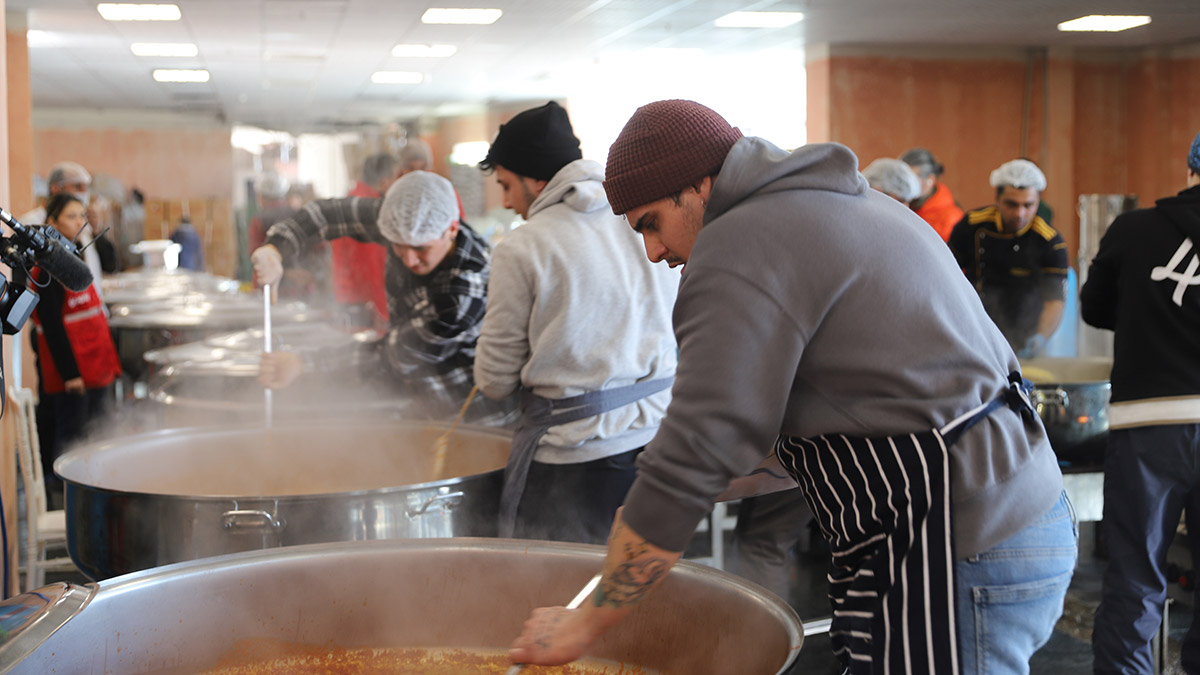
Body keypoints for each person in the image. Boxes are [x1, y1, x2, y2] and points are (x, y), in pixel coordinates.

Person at [509, 100, 1075, 674]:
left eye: (651, 223)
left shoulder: (738, 242)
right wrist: (661, 501)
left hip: (952, 544)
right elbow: (848, 411)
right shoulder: (840, 204)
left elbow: (696, 451)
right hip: (1018, 517)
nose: (653, 252)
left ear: (699, 185)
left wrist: (583, 622)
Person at [473, 101, 677, 544]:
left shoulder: (522, 247)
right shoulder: (641, 221)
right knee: (641, 589)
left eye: (507, 185)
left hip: (575, 463)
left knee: (562, 596)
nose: (506, 202)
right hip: (659, 445)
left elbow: (493, 380)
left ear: (537, 179)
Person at [251, 171, 513, 425]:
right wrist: (275, 249)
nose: (409, 259)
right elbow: (326, 215)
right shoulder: (400, 221)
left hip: (474, 419)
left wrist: (303, 363)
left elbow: (392, 357)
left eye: (421, 248)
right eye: (398, 245)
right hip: (424, 404)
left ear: (452, 230)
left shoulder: (465, 292)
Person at [1084, 131, 1200, 674]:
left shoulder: (1134, 230)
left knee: (1135, 577)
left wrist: (1151, 320)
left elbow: (1096, 309)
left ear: (1191, 169)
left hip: (1149, 425)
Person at [27, 193, 122, 507]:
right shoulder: (48, 267)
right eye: (71, 216)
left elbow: (111, 264)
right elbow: (51, 326)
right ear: (51, 222)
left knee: (98, 436)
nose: (79, 222)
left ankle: (98, 498)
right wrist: (70, 374)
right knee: (72, 443)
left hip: (96, 367)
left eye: (81, 215)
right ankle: (70, 505)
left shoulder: (78, 255)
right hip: (76, 375)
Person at [947, 160, 1069, 358]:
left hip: (1025, 334)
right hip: (975, 329)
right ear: (997, 198)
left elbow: (1054, 300)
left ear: (1038, 202)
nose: (1019, 214)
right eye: (1011, 204)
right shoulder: (971, 226)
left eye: (1028, 205)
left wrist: (1041, 337)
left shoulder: (1050, 242)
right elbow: (947, 275)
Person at [331, 153, 400, 326]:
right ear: (385, 181)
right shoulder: (369, 209)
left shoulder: (351, 198)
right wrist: (382, 312)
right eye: (397, 177)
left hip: (348, 300)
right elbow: (371, 268)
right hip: (364, 307)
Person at [21, 161, 106, 294]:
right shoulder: (31, 222)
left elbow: (108, 264)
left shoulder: (84, 221)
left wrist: (97, 230)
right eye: (78, 187)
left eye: (86, 188)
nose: (84, 193)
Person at [249, 171, 330, 301]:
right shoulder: (301, 216)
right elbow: (322, 250)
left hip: (271, 292)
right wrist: (312, 274)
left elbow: (257, 257)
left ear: (261, 196)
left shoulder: (258, 222)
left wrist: (288, 273)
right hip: (303, 291)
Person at [900, 147, 964, 242]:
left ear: (930, 179)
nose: (904, 184)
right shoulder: (902, 205)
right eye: (900, 178)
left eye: (912, 179)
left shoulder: (950, 218)